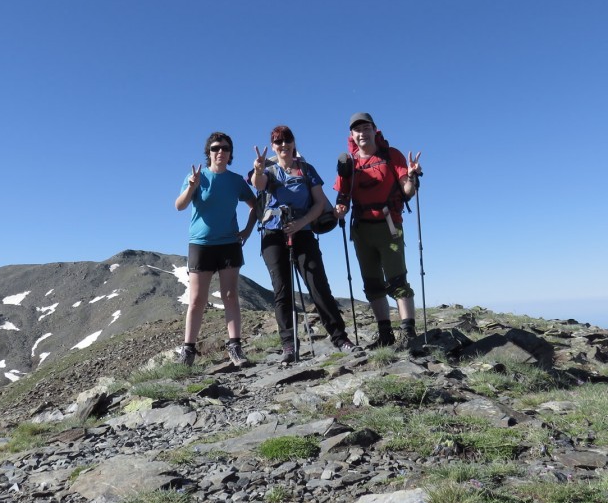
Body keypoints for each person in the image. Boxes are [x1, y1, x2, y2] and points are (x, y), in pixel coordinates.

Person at [250, 125, 363, 364]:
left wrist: (301, 223)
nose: (283, 145)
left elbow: (320, 203)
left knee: (318, 286)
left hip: (303, 232)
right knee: (282, 290)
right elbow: (258, 184)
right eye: (278, 142)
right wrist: (258, 169)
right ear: (273, 146)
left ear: (293, 143)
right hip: (272, 234)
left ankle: (340, 338)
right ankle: (289, 345)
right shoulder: (267, 169)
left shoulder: (306, 169)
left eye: (286, 141)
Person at [333, 112, 423, 348]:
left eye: (366, 128)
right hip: (362, 230)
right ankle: (385, 334)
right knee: (372, 284)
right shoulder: (349, 163)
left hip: (389, 226)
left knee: (397, 280)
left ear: (374, 130)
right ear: (352, 135)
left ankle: (408, 333)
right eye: (357, 130)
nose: (362, 133)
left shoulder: (391, 155)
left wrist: (412, 177)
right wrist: (340, 208)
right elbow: (343, 196)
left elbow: (407, 192)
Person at [175, 131, 257, 368]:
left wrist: (248, 230)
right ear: (208, 152)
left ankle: (235, 347)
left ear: (231, 154)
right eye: (215, 148)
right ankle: (188, 351)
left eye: (225, 148)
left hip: (229, 244)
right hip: (201, 244)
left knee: (230, 296)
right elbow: (179, 206)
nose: (220, 152)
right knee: (197, 300)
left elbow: (255, 205)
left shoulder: (236, 181)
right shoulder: (196, 177)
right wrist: (192, 186)